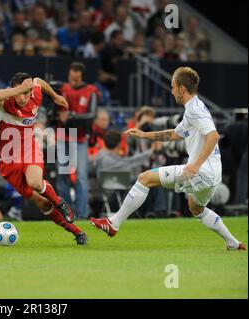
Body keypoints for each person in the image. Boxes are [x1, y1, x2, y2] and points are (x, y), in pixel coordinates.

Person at [90, 67, 246, 251]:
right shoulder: (193, 108)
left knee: (144, 178)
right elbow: (174, 134)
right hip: (213, 173)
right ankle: (232, 242)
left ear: (181, 89)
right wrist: (145, 135)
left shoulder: (195, 110)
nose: (171, 91)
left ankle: (113, 223)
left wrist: (195, 165)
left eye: (173, 87)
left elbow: (213, 136)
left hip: (201, 171)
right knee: (196, 208)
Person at [0, 72, 88, 245]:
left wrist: (55, 96)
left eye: (27, 93)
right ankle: (77, 231)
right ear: (14, 89)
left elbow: (39, 81)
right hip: (8, 159)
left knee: (35, 182)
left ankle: (60, 203)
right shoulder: (4, 102)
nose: (24, 97)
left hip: (29, 148)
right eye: (21, 92)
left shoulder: (35, 95)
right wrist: (18, 89)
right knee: (42, 203)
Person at [57, 62, 100, 219]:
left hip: (80, 137)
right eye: (71, 78)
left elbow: (92, 115)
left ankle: (82, 214)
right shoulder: (62, 89)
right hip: (63, 136)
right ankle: (66, 213)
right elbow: (53, 111)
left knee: (81, 176)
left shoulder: (91, 91)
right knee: (62, 176)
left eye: (76, 79)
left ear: (82, 78)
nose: (73, 81)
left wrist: (71, 117)